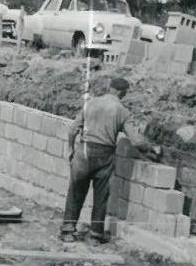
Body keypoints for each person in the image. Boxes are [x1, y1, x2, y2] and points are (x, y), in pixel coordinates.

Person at [60, 77, 161, 243]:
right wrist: (152, 148)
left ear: (110, 88)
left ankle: (68, 231)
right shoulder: (122, 111)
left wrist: (71, 149)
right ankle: (95, 236)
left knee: (75, 192)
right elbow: (136, 140)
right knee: (101, 196)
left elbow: (72, 130)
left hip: (83, 151)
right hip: (104, 156)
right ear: (123, 93)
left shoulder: (90, 103)